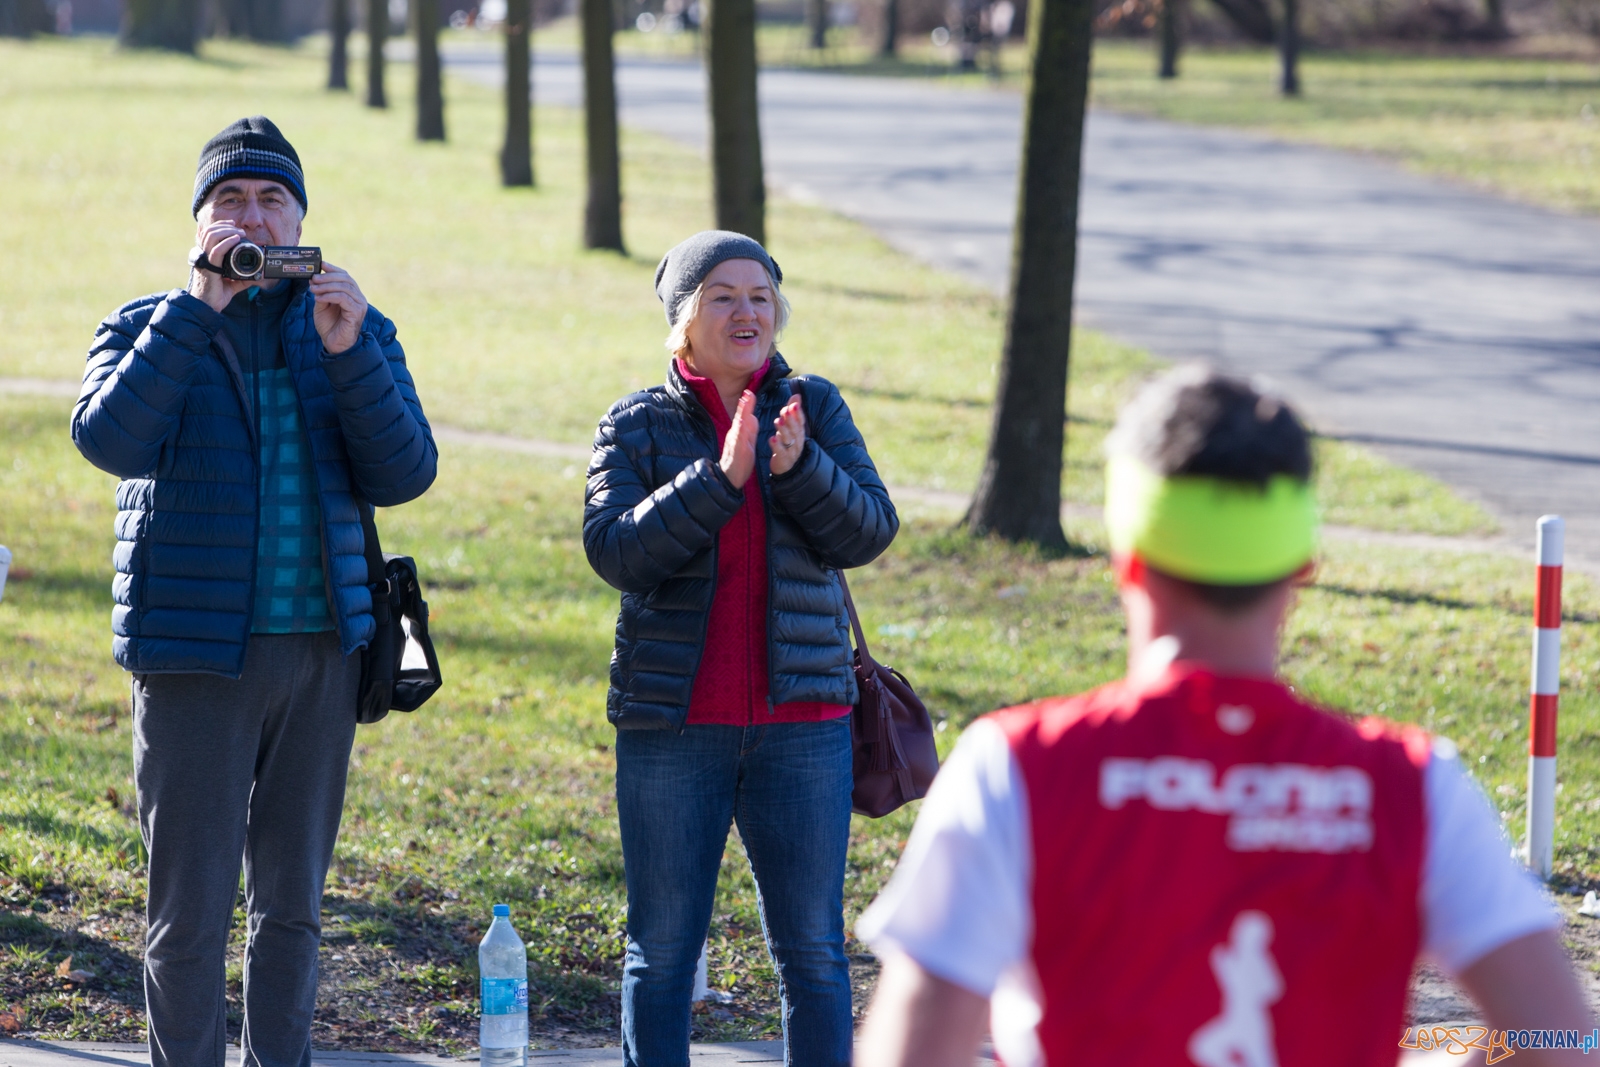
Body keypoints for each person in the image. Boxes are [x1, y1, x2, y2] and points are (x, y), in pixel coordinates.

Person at [855, 365, 1594, 1067]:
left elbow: (915, 1051)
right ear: (1301, 565)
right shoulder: (1413, 785)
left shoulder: (1017, 767)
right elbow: (1561, 1038)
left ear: (1126, 558)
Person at [70, 116, 436, 1066]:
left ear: (302, 217)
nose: (253, 216)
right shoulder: (147, 324)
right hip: (195, 657)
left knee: (292, 909)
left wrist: (351, 352)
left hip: (323, 653)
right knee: (185, 912)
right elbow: (110, 442)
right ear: (198, 223)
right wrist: (197, 306)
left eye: (273, 198)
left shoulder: (354, 327)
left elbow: (404, 473)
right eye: (230, 199)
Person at [583, 230, 898, 1067]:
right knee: (661, 955)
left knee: (814, 954)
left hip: (805, 725)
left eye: (760, 296)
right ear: (684, 321)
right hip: (673, 727)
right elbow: (615, 551)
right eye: (723, 295)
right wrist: (717, 480)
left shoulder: (816, 408)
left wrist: (800, 472)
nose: (746, 310)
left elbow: (869, 530)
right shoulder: (637, 424)